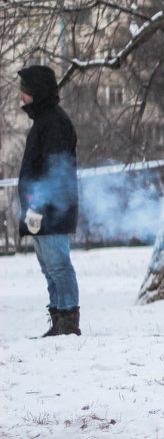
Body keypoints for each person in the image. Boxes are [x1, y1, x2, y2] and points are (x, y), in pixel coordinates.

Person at [17, 64, 81, 337]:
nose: (21, 97)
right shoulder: (43, 122)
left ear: (38, 93)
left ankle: (67, 323)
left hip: (51, 210)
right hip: (40, 211)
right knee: (48, 267)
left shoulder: (54, 123)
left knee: (58, 265)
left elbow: (56, 171)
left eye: (26, 92)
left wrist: (38, 206)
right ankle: (57, 319)